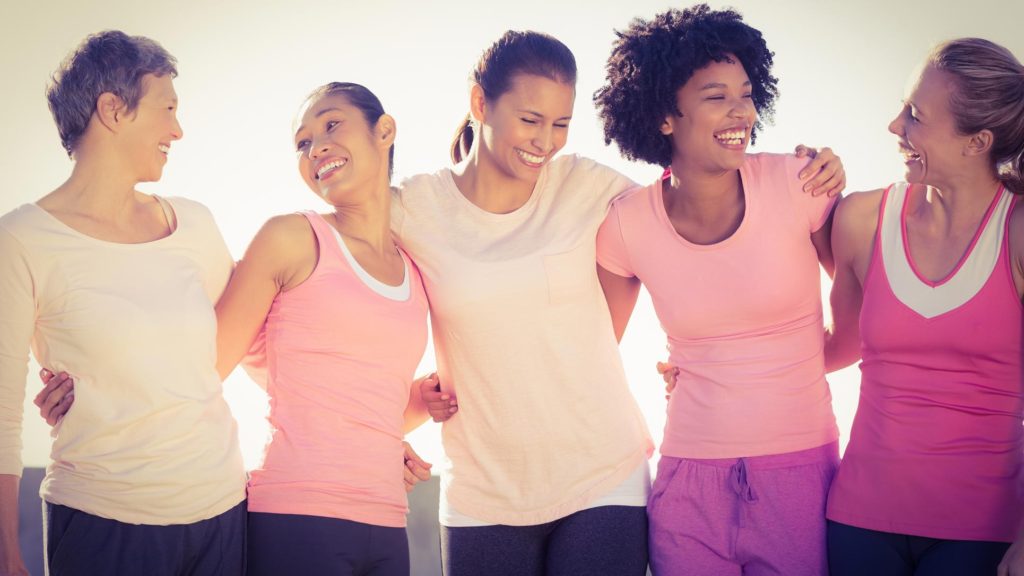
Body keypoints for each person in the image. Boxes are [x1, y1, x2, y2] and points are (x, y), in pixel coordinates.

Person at [408, 28, 844, 576]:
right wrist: (401, 407)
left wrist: (814, 166)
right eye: (530, 120)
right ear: (480, 103)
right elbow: (360, 303)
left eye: (561, 124)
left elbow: (685, 212)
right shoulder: (416, 209)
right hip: (483, 483)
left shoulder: (592, 188)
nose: (546, 141)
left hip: (604, 472)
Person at [593, 6, 842, 574]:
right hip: (687, 479)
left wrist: (777, 371)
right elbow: (590, 346)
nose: (741, 112)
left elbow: (865, 316)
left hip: (800, 471)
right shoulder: (627, 223)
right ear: (663, 117)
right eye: (715, 96)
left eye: (747, 94)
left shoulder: (798, 183)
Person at [0, 31, 246, 576]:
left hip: (223, 514)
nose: (178, 130)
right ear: (113, 110)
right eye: (167, 109)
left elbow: (256, 345)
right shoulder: (21, 240)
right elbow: (1, 411)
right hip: (101, 523)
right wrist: (4, 552)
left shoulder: (195, 223)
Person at [212, 81, 433, 576]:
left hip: (387, 519)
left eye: (332, 125)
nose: (317, 147)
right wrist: (98, 390)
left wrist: (422, 398)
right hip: (297, 514)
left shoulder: (416, 271)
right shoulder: (290, 237)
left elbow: (358, 403)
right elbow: (202, 371)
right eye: (303, 142)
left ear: (385, 132)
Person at [823, 38, 1024, 576]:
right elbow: (832, 349)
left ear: (977, 141)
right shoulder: (862, 219)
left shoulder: (1018, 231)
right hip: (859, 521)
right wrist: (709, 361)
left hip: (982, 532)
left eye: (914, 115)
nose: (894, 126)